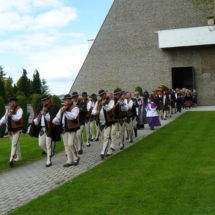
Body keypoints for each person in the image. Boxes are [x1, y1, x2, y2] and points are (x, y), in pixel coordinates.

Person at [29, 95, 61, 167]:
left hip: (49, 128)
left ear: (48, 100)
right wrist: (36, 120)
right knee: (41, 144)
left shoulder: (53, 107)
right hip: (42, 128)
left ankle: (48, 161)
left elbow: (52, 119)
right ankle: (50, 153)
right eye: (43, 101)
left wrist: (45, 114)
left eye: (45, 100)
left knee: (48, 145)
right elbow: (37, 116)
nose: (44, 102)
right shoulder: (41, 108)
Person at [53, 94, 80, 167]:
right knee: (66, 145)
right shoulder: (63, 108)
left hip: (72, 128)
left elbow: (73, 116)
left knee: (71, 143)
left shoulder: (75, 108)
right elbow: (58, 117)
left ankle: (76, 157)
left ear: (70, 100)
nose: (65, 101)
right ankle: (69, 160)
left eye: (66, 100)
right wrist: (55, 120)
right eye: (64, 100)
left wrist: (65, 112)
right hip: (64, 128)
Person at [0, 97, 23, 166]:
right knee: (16, 143)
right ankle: (19, 157)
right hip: (10, 129)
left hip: (18, 129)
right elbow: (5, 118)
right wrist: (1, 122)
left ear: (15, 102)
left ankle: (11, 159)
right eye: (9, 102)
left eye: (11, 102)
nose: (10, 103)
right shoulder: (8, 110)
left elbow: (18, 118)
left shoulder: (19, 109)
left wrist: (12, 115)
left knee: (14, 144)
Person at [92, 90, 115, 159]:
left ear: (105, 94)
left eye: (103, 95)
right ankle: (109, 151)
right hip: (100, 121)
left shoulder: (111, 100)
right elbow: (93, 110)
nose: (102, 96)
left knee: (106, 136)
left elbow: (109, 109)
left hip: (108, 121)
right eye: (100, 95)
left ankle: (102, 152)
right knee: (104, 137)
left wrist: (104, 104)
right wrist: (95, 112)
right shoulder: (98, 102)